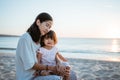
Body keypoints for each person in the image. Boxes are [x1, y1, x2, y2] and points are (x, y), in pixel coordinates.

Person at [15, 12, 77, 80]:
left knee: (72, 74)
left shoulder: (40, 40)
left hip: (40, 74)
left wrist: (58, 63)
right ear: (38, 22)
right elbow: (31, 65)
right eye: (47, 25)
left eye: (49, 27)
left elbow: (52, 53)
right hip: (29, 77)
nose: (48, 29)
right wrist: (52, 68)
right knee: (56, 79)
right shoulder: (25, 38)